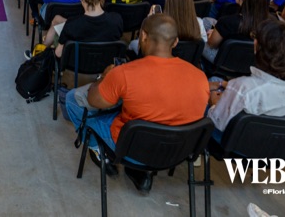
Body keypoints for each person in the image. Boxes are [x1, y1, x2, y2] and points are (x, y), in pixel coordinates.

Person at [65, 14, 209, 193]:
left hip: (131, 149)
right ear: (175, 42)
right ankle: (143, 171)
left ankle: (97, 149)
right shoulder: (200, 78)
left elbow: (94, 101)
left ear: (143, 36)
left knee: (72, 99)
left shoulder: (124, 73)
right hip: (176, 153)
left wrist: (105, 77)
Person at [208, 20, 285, 135]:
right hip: (283, 142)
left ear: (261, 50)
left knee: (212, 82)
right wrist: (229, 86)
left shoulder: (243, 88)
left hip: (240, 146)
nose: (254, 42)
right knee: (218, 82)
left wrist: (214, 104)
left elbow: (218, 124)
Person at [36, 0, 123, 59]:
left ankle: (42, 48)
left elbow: (58, 54)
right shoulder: (117, 19)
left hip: (76, 64)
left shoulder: (72, 25)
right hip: (105, 61)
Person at [204, 0, 273, 61]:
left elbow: (211, 44)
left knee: (200, 42)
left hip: (225, 61)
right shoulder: (271, 23)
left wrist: (211, 35)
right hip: (253, 62)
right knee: (207, 21)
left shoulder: (227, 22)